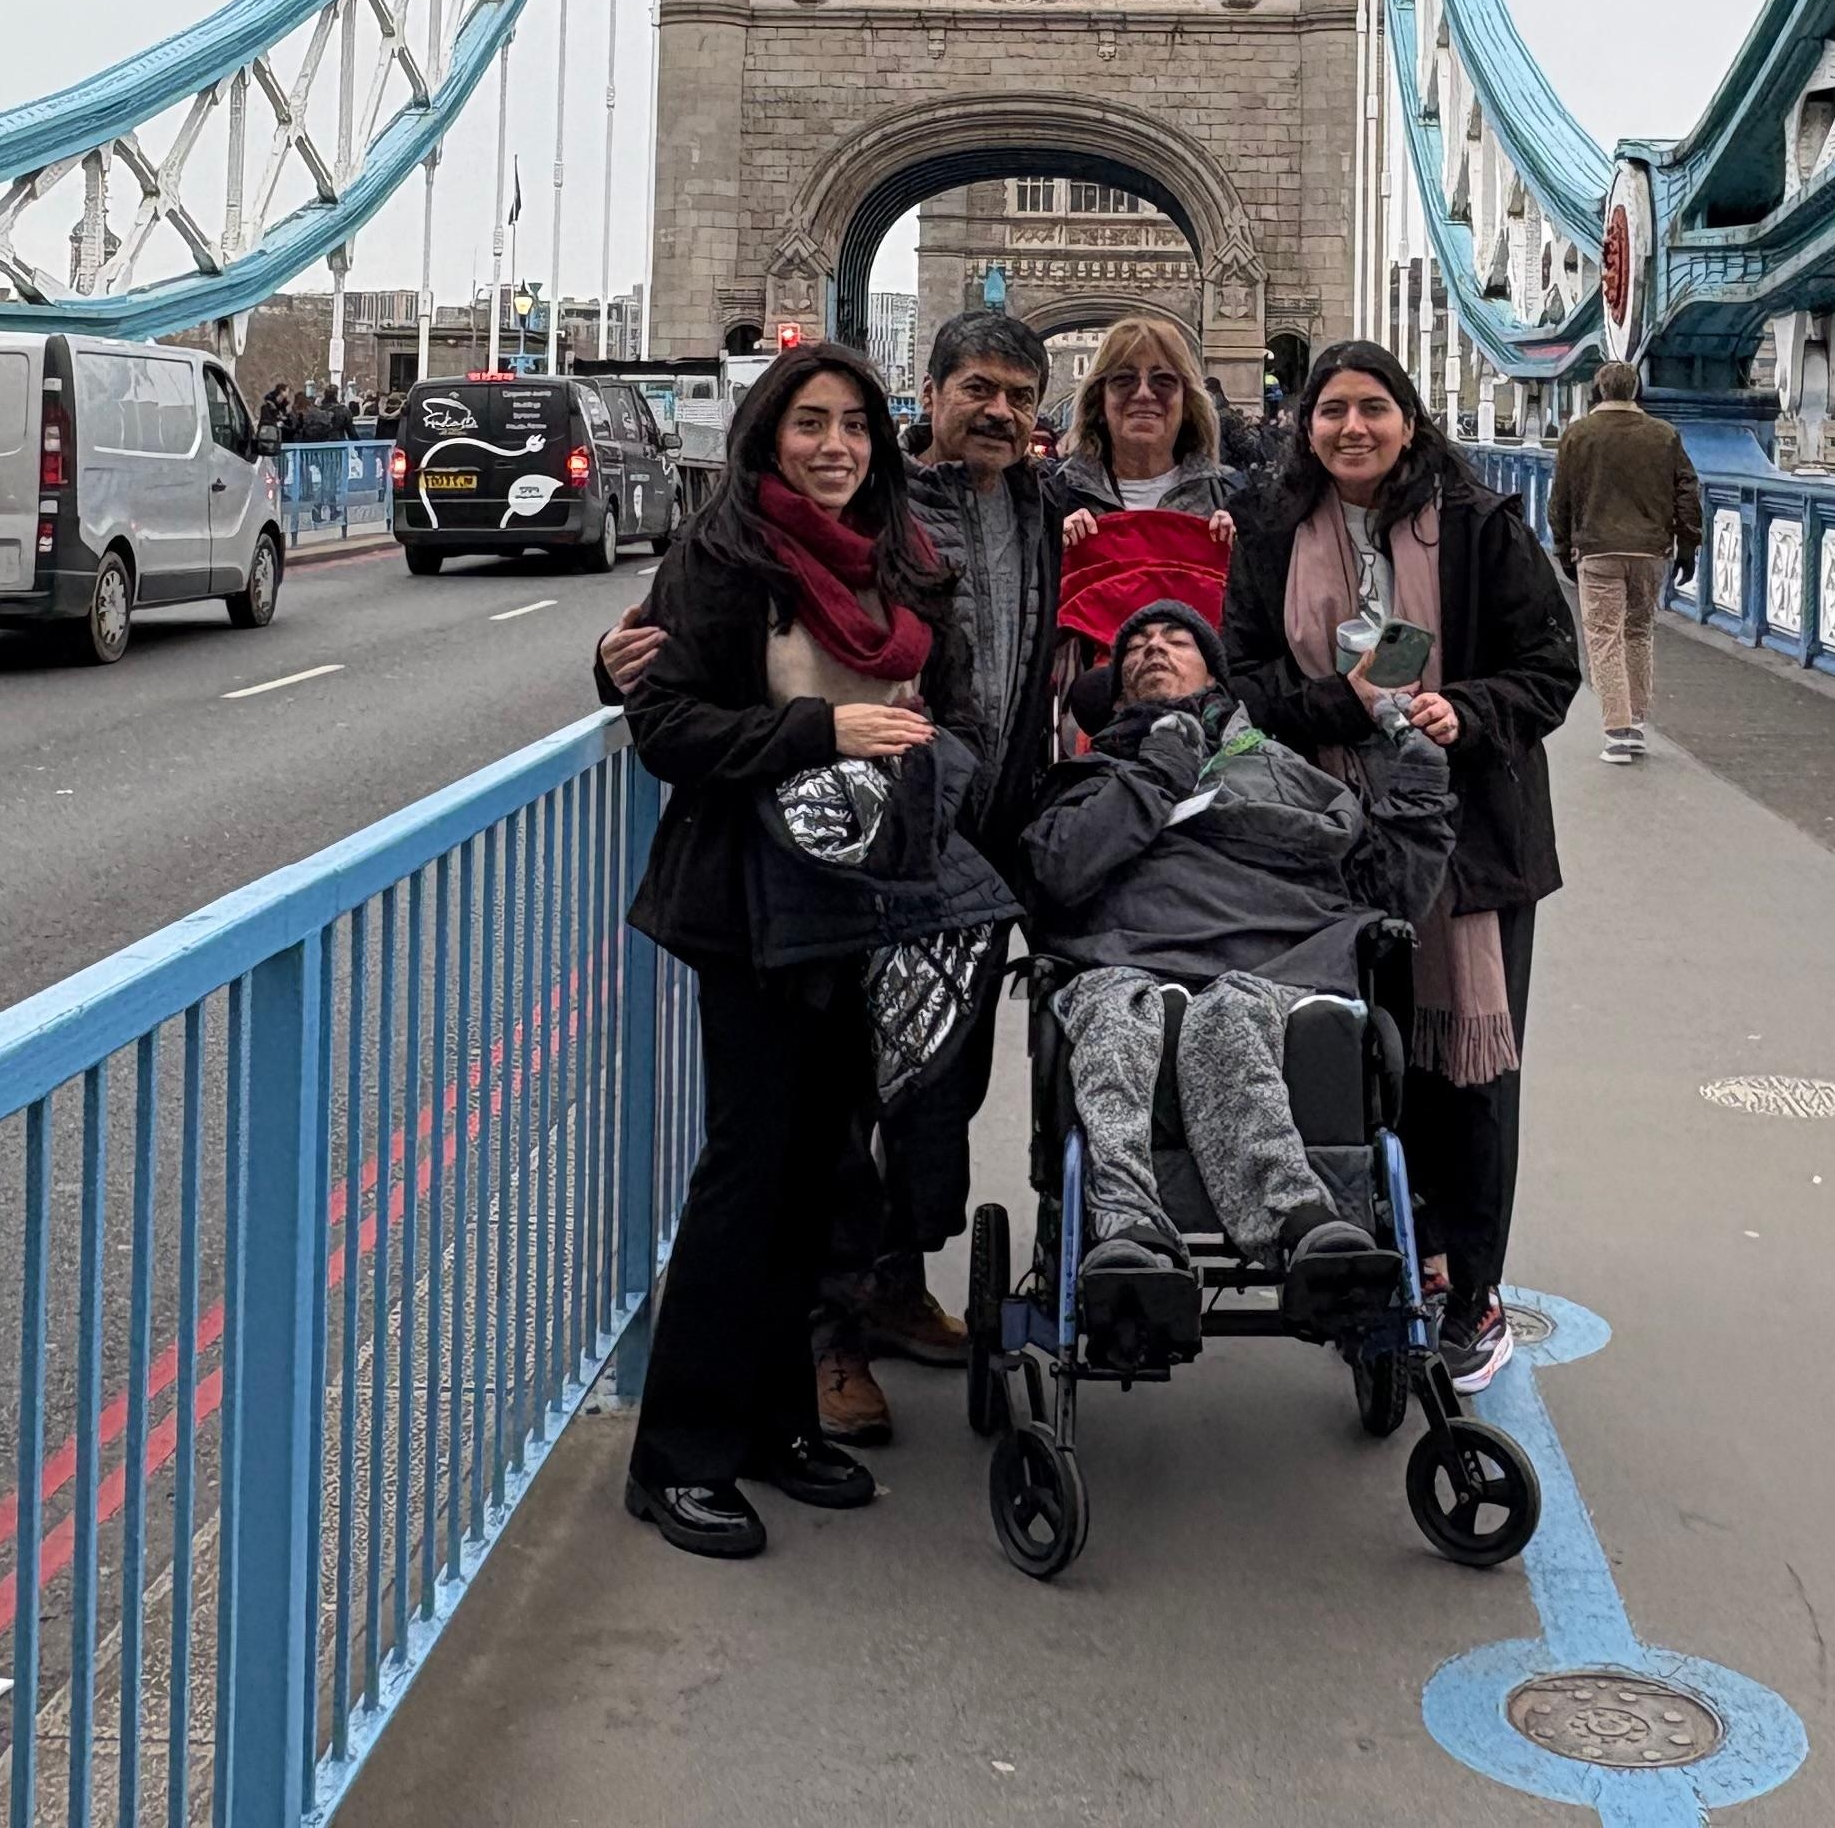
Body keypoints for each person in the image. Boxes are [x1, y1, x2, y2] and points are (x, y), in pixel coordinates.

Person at [608, 308, 1072, 1446]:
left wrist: (930, 794)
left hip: (897, 887)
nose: (835, 445)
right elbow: (668, 716)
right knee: (753, 1173)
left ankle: (782, 1431)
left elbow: (954, 706)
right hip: (760, 904)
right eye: (811, 423)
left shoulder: (902, 554)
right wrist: (823, 733)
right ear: (769, 435)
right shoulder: (726, 552)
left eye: (852, 426)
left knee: (850, 1147)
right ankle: (684, 1453)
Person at [1221, 339, 1578, 1393]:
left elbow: (1549, 668)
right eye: (1332, 410)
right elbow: (1245, 681)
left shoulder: (1480, 526)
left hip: (1466, 843)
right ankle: (1373, 1258)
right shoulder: (1271, 530)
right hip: (1319, 838)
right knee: (1349, 1060)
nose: (1352, 428)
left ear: (1409, 421)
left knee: (1467, 1077)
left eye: (1372, 408)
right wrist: (1344, 703)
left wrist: (1463, 711)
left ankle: (1469, 1286)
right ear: (1306, 426)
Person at [1020, 602, 1452, 1346]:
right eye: (1136, 646)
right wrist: (1154, 774)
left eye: (1176, 639)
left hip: (1277, 961)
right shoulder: (1089, 777)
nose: (1153, 648)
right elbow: (1055, 873)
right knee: (1120, 1012)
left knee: (1228, 1011)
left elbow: (1381, 886)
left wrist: (1418, 798)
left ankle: (1302, 1221)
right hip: (1129, 957)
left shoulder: (1284, 772)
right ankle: (1128, 1231)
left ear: (1216, 679)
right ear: (1117, 699)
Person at [1549, 359, 1702, 767]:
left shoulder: (1578, 435)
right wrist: (1688, 545)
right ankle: (1635, 721)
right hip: (1651, 551)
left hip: (1597, 549)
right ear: (1635, 391)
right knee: (1638, 631)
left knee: (1603, 636)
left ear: (1599, 391)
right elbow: (1687, 491)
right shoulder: (1663, 434)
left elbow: (1560, 499)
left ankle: (1617, 732)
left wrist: (1563, 549)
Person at [1058, 314, 1239, 543]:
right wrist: (1053, 550)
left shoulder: (1232, 499)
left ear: (1187, 403)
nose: (1143, 393)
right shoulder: (1053, 501)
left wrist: (1239, 552)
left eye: (1163, 381)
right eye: (1124, 379)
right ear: (1100, 400)